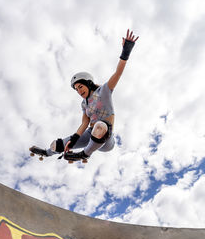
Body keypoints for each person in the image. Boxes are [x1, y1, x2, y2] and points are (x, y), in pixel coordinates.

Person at [30, 29, 139, 162]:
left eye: (80, 87)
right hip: (89, 133)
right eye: (76, 89)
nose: (79, 91)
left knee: (100, 126)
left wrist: (126, 51)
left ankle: (84, 154)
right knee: (58, 144)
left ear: (88, 84)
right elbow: (84, 123)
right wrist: (75, 138)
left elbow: (117, 74)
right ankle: (46, 153)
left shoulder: (104, 91)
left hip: (106, 138)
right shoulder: (84, 104)